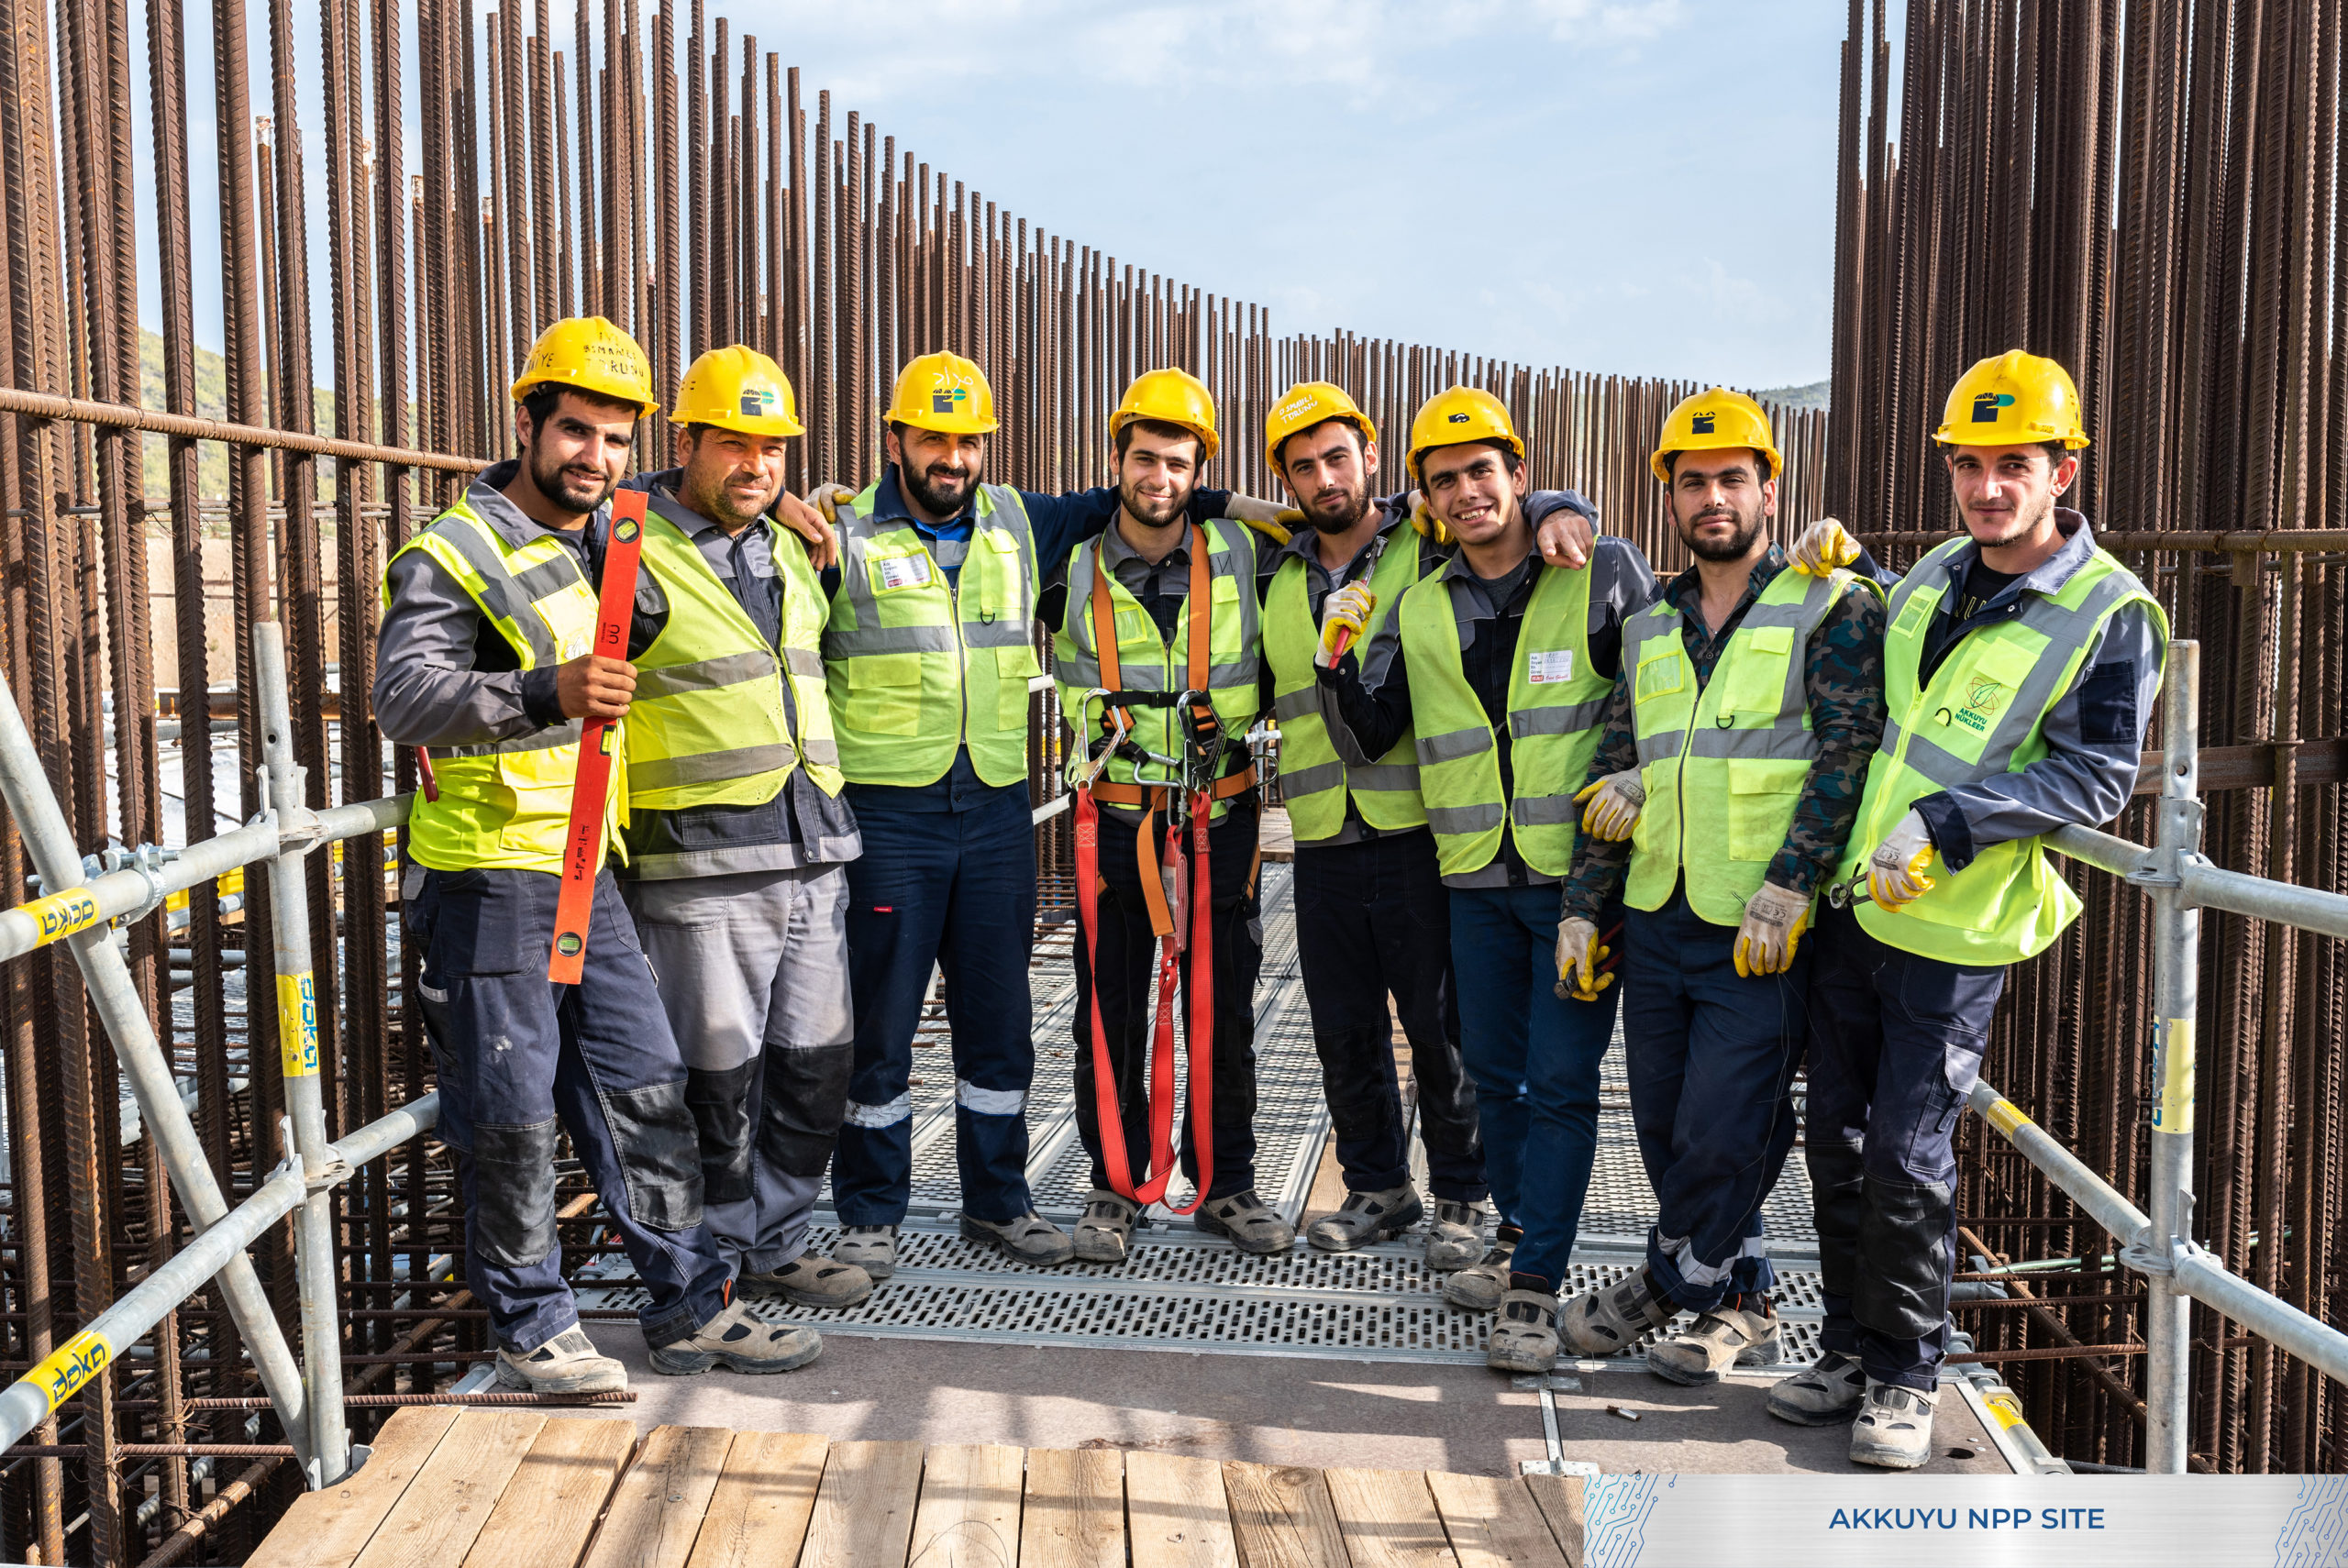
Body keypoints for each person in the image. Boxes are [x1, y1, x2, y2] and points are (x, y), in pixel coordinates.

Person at [375, 317, 825, 1390]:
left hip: (589, 871)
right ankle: (533, 1328)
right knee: (515, 1115)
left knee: (645, 1091)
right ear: (526, 422)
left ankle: (688, 1306)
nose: (597, 457)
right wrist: (546, 693)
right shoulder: (455, 549)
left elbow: (710, 492)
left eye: (618, 440)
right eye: (576, 431)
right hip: (487, 881)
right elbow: (403, 695)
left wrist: (807, 505)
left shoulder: (598, 539)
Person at [1772, 350, 2167, 1468]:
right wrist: (1830, 580)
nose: (1987, 488)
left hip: (1955, 928)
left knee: (1907, 1153)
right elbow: (1874, 703)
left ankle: (1905, 1372)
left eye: (2013, 466)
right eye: (1970, 466)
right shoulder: (1940, 570)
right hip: (1861, 905)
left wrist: (1947, 824)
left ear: (2063, 470)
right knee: (1837, 1144)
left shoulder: (2110, 610)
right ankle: (1848, 1348)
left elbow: (2093, 777)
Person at [806, 352, 1279, 1275]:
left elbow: (1190, 506)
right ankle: (869, 1207)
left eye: (967, 440)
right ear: (893, 436)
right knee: (883, 1022)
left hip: (993, 809)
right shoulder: (840, 533)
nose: (951, 455)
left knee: (999, 1016)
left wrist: (1234, 501)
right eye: (933, 436)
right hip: (889, 815)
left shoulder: (1020, 523)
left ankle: (998, 1198)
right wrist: (800, 503)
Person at [1315, 387, 1656, 1374]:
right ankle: (1517, 1234)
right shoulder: (1418, 606)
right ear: (1422, 500)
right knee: (1492, 1080)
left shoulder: (1598, 569)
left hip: (1576, 885)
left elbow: (1659, 687)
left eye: (1481, 472)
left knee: (1558, 1081)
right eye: (1444, 480)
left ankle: (1536, 1282)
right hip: (1468, 880)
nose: (1467, 493)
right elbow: (1376, 731)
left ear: (1518, 473)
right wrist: (1335, 658)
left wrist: (1635, 783)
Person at [1551, 388, 1885, 1386]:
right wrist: (1583, 904)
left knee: (1722, 1127)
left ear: (1768, 491)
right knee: (1659, 1124)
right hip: (1657, 915)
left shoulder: (1830, 603)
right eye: (1691, 482)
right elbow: (1622, 762)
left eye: (1731, 479)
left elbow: (1846, 754)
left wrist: (1790, 884)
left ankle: (1665, 1283)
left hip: (1758, 926)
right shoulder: (1650, 626)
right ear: (1669, 498)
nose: (1711, 498)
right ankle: (1738, 1304)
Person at [613, 345, 869, 1325]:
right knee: (716, 1077)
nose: (756, 466)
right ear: (686, 444)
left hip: (812, 847)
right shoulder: (629, 533)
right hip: (703, 860)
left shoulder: (788, 548)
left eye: (772, 450)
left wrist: (803, 507)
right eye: (733, 445)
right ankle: (712, 1255)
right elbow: (595, 498)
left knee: (814, 1065)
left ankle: (776, 1240)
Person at [1256, 382, 1489, 1267]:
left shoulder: (1423, 547)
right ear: (1285, 478)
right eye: (1304, 465)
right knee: (1343, 1025)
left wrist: (1559, 508)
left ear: (1372, 459)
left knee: (1439, 1027)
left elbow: (1504, 511)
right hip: (1321, 838)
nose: (1325, 477)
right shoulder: (1275, 574)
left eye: (1338, 457)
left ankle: (1465, 1194)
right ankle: (1379, 1189)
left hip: (1416, 829)